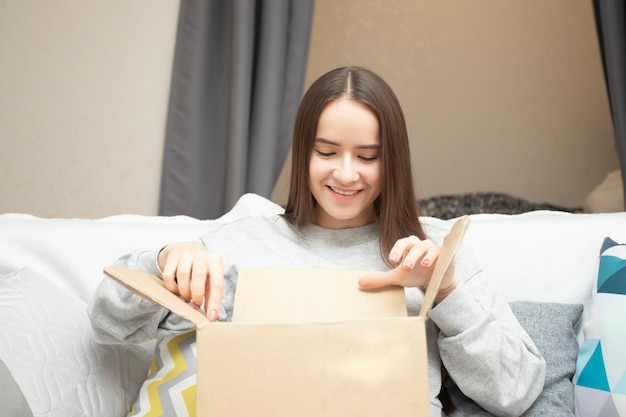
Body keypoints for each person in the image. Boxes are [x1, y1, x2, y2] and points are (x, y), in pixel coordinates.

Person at [89, 66, 545, 416]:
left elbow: (516, 392)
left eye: (368, 157)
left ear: (394, 162)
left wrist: (444, 292)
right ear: (303, 152)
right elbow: (110, 325)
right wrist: (166, 258)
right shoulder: (238, 244)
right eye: (326, 152)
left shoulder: (436, 249)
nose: (345, 174)